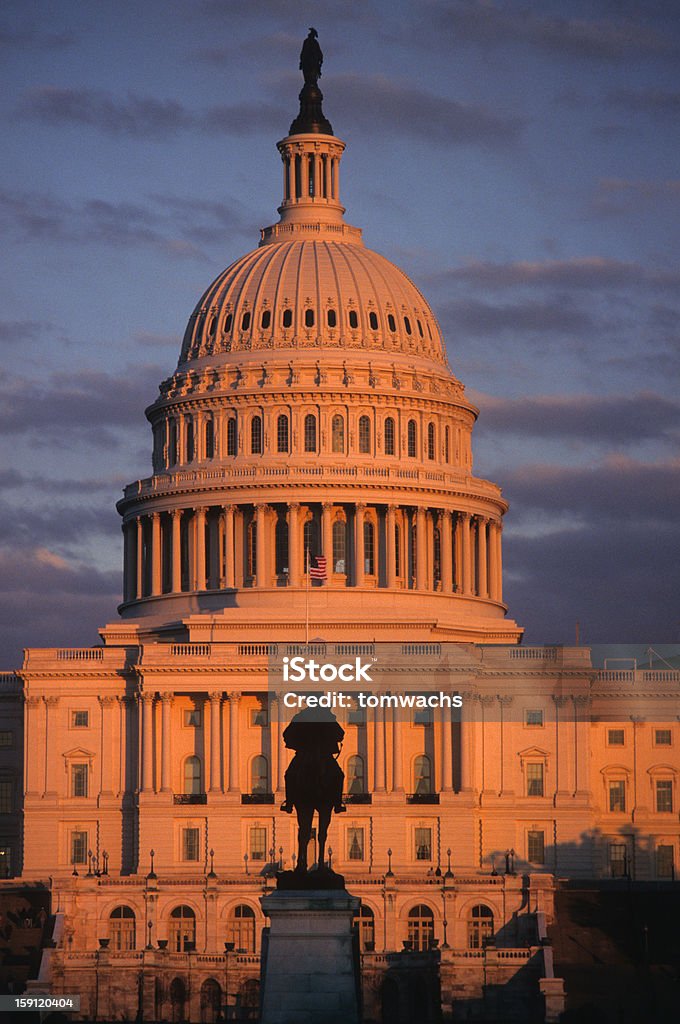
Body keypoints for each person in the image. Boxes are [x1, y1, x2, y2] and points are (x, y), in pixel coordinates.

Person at [280, 706, 345, 814]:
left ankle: (289, 803)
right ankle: (338, 803)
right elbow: (340, 734)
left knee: (290, 775)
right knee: (338, 775)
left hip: (304, 755)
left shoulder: (301, 716)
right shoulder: (326, 716)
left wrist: (297, 742)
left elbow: (287, 735)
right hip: (323, 755)